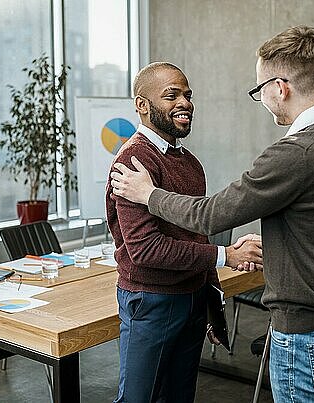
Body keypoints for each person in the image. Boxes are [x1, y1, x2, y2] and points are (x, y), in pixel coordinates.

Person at [110, 26, 314, 402]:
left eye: (260, 91)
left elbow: (207, 219)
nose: (185, 103)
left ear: (280, 87)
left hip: (308, 331)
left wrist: (150, 195)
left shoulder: (295, 154)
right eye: (173, 95)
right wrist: (261, 252)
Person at [106, 62, 263, 403]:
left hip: (192, 298)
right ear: (142, 105)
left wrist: (211, 299)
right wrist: (227, 256)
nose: (185, 103)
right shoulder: (133, 161)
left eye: (187, 95)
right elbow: (146, 250)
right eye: (171, 95)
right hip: (151, 300)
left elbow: (196, 235)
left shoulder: (190, 163)